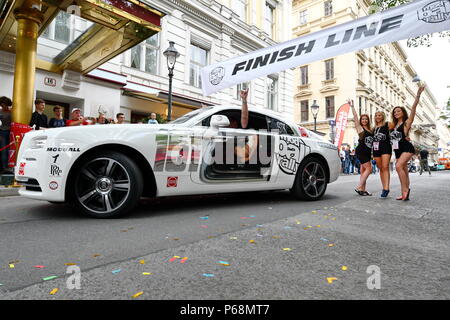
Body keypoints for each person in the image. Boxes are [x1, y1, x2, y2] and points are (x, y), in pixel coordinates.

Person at [389, 85, 425, 201]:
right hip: (398, 150)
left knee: (398, 166)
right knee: (403, 170)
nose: (396, 113)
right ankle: (404, 192)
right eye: (394, 112)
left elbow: (413, 109)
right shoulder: (393, 126)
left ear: (403, 112)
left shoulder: (406, 123)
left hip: (407, 148)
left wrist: (418, 94)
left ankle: (406, 191)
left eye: (398, 111)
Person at [349, 99, 373, 196]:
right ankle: (359, 186)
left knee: (364, 171)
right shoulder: (360, 128)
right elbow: (355, 117)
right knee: (369, 169)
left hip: (367, 152)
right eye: (362, 119)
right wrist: (352, 107)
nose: (364, 120)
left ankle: (363, 190)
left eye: (366, 119)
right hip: (361, 150)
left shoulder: (370, 130)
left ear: (368, 120)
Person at [372, 111, 392, 198]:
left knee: (385, 167)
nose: (378, 117)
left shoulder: (387, 124)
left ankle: (386, 188)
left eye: (379, 115)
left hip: (386, 148)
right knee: (380, 168)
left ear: (383, 116)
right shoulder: (374, 128)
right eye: (376, 115)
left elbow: (399, 127)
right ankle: (384, 187)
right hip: (376, 149)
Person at [0, 96, 12, 173]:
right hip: (2, 132)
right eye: (2, 104)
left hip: (12, 132)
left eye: (4, 104)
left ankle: (10, 167)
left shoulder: (12, 111)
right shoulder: (0, 111)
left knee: (10, 150)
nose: (3, 106)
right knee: (4, 150)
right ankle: (5, 168)